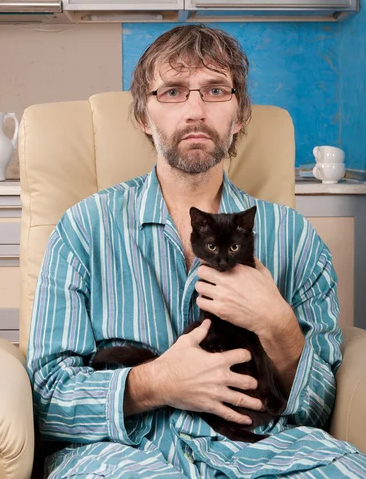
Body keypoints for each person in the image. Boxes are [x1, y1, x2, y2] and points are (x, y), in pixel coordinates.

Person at [27, 25, 366, 478]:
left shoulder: (297, 239)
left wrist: (279, 325)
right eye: (172, 91)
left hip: (267, 452)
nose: (195, 110)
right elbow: (48, 401)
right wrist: (158, 383)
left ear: (240, 113)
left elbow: (320, 408)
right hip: (126, 455)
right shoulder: (82, 230)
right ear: (143, 117)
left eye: (215, 90)